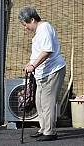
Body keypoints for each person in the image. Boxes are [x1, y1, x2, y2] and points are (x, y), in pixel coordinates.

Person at [18, 6, 66, 141]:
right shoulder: (39, 31)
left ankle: (50, 132)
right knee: (39, 102)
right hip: (42, 73)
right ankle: (43, 128)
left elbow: (47, 51)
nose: (25, 27)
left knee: (47, 103)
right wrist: (30, 64)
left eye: (25, 24)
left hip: (52, 71)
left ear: (32, 19)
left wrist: (33, 65)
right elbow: (38, 53)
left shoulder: (44, 28)